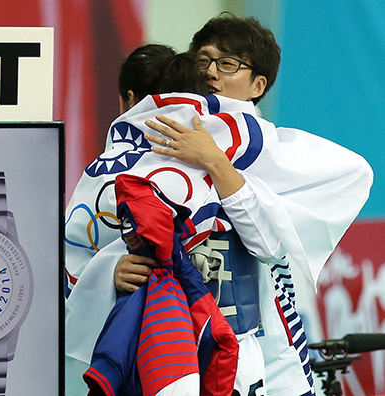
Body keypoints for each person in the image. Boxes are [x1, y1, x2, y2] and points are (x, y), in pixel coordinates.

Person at [65, 14, 373, 396]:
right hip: (155, 345)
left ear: (258, 85)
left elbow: (272, 247)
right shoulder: (151, 142)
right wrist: (110, 269)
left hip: (243, 347)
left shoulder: (270, 152)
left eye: (227, 64)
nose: (212, 73)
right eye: (203, 60)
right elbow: (82, 242)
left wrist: (215, 162)